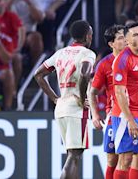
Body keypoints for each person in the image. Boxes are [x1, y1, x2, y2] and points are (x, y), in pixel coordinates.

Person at [34, 20, 95, 178]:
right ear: (88, 36)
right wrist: (82, 98)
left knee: (73, 154)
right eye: (91, 35)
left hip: (61, 107)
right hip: (76, 108)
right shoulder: (87, 54)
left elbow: (38, 75)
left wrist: (55, 99)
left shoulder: (61, 52)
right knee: (74, 155)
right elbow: (84, 73)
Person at [111, 22, 138, 179]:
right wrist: (130, 120)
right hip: (124, 114)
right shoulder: (122, 60)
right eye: (135, 35)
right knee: (125, 158)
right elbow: (119, 92)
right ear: (127, 41)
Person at [88, 25, 126, 179]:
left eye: (126, 36)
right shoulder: (104, 64)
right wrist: (95, 115)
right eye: (121, 38)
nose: (126, 40)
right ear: (111, 44)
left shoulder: (137, 57)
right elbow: (93, 91)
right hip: (114, 116)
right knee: (112, 158)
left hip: (137, 114)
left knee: (131, 158)